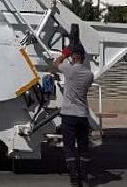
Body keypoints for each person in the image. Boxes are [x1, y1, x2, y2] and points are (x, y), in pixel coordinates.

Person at [53, 28, 94, 187]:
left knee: (69, 148)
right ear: (83, 58)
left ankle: (74, 179)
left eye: (71, 56)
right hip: (82, 116)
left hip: (68, 116)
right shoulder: (89, 75)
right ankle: (84, 176)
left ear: (74, 56)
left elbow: (57, 63)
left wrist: (65, 52)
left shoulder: (69, 70)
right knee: (83, 148)